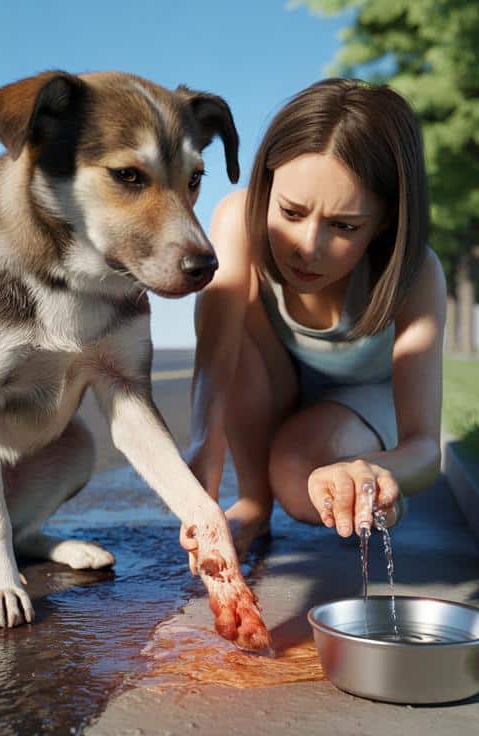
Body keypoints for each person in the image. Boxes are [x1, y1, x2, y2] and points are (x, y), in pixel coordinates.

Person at [183, 78, 446, 564]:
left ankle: (375, 502)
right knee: (230, 312)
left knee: (301, 482)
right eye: (291, 211)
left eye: (344, 226)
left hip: (358, 408)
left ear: (385, 220)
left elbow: (426, 448)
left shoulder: (417, 272)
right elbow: (216, 360)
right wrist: (202, 461)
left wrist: (371, 471)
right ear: (268, 178)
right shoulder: (240, 220)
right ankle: (254, 504)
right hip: (270, 384)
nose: (308, 246)